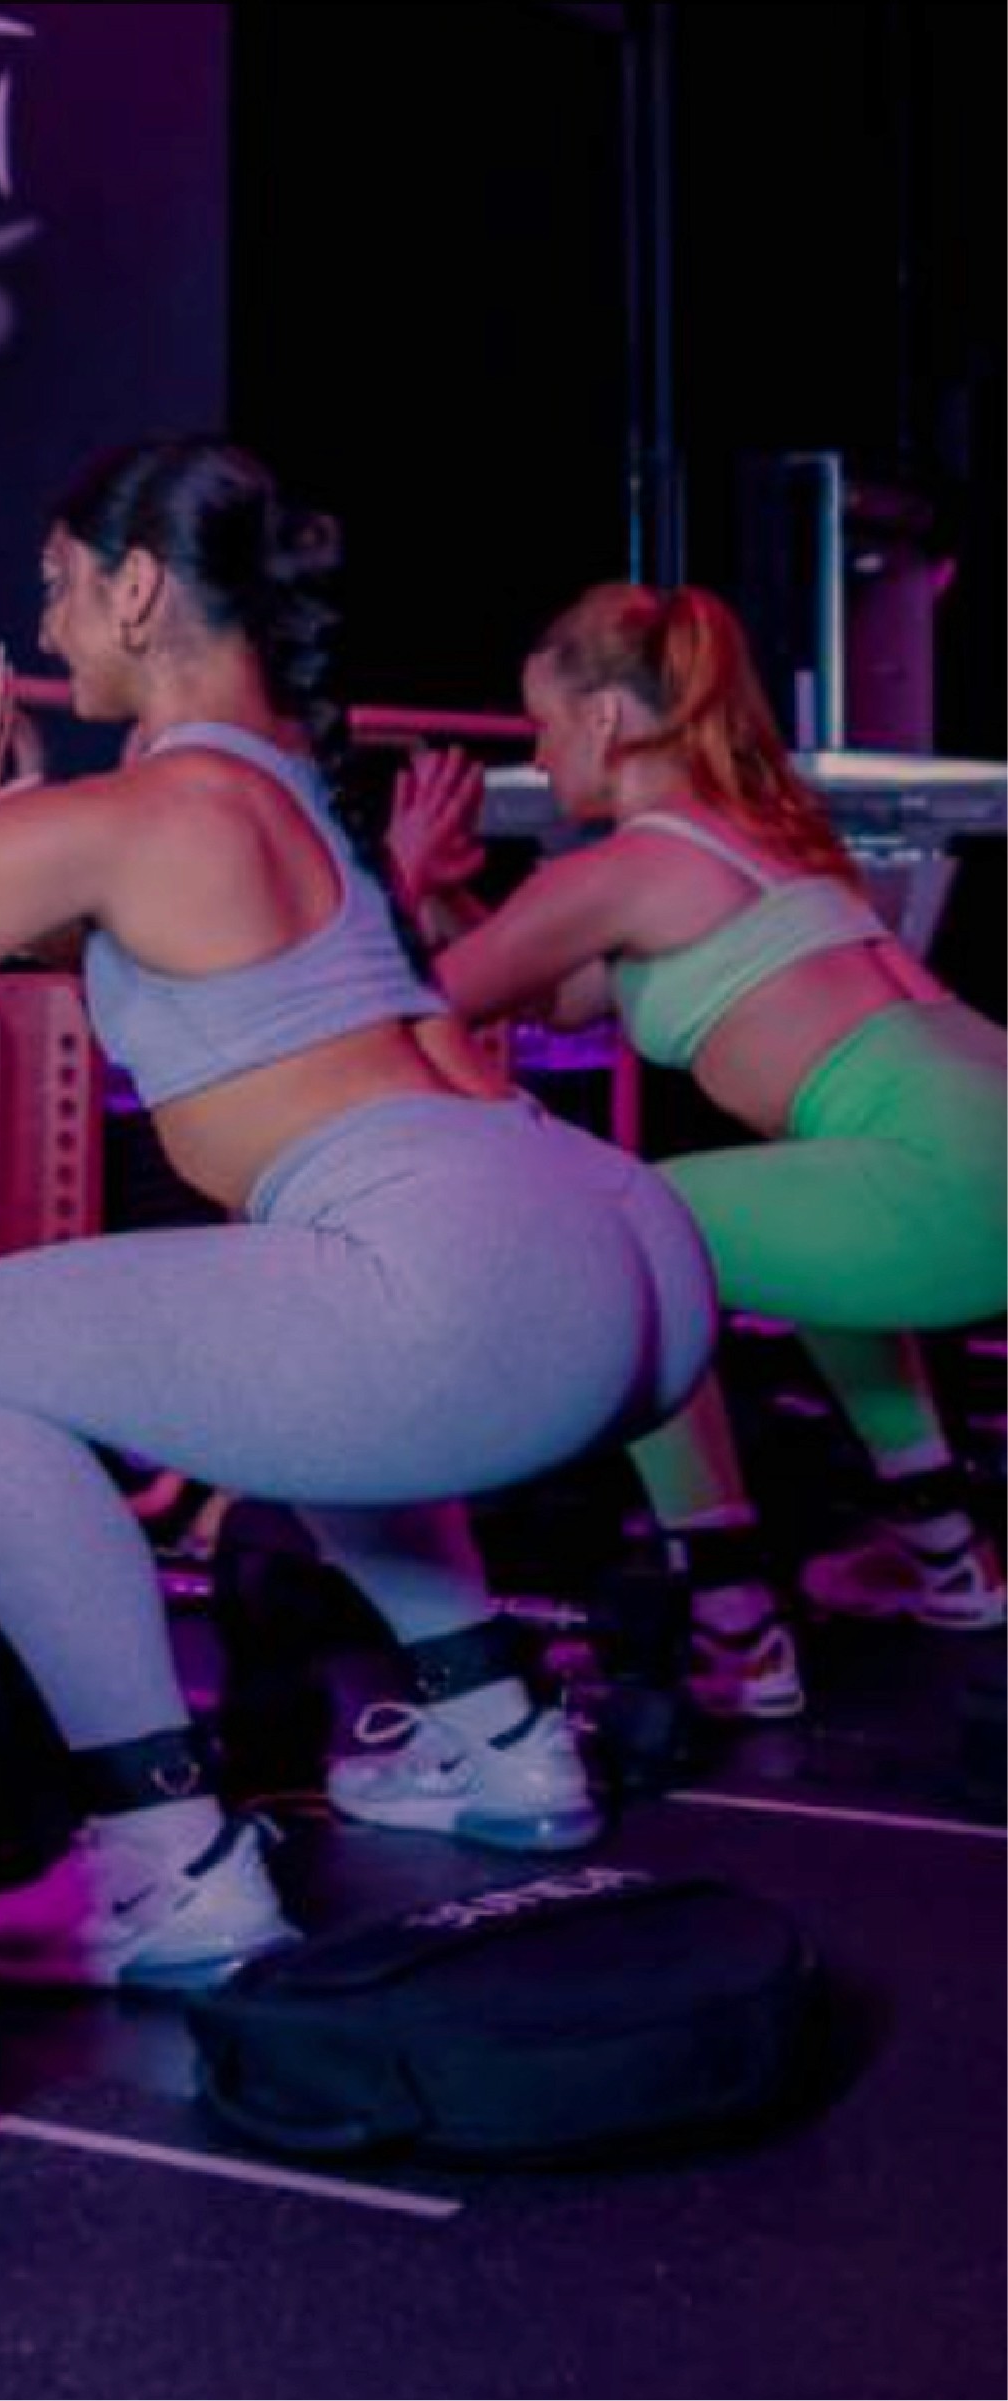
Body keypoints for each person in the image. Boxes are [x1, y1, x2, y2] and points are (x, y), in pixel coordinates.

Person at [0, 438, 719, 1989]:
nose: (47, 625)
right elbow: (158, 964)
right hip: (614, 1251)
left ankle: (169, 1858)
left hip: (467, 1290)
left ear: (137, 589)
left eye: (61, 587)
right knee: (285, 1342)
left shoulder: (140, 811)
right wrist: (6, 878)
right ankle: (501, 1730)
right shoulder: (292, 798)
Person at [389, 584, 1006, 1719]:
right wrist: (450, 894)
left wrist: (403, 876)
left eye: (542, 723)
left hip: (953, 1174)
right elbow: (558, 991)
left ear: (604, 719)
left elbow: (413, 1011)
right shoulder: (762, 837)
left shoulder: (623, 870)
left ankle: (734, 1624)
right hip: (970, 1128)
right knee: (804, 1223)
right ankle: (947, 1555)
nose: (539, 752)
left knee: (636, 1231)